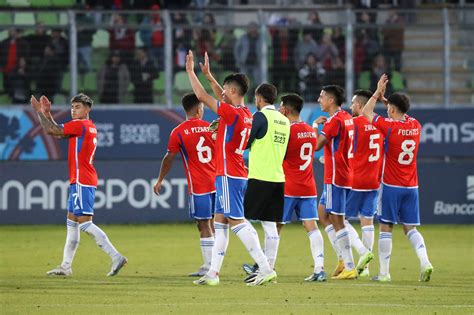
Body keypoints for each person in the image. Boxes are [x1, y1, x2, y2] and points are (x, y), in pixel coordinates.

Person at [186, 51, 276, 286]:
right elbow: (220, 95)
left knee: (237, 221)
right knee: (220, 223)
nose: (222, 93)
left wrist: (190, 72)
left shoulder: (231, 112)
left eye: (226, 90)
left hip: (228, 174)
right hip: (234, 172)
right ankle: (213, 273)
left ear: (233, 91)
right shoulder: (246, 112)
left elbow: (202, 96)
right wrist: (208, 74)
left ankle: (266, 267)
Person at [30, 93, 127, 277]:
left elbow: (51, 131)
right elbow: (58, 132)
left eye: (78, 107)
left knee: (84, 224)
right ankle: (66, 266)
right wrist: (48, 113)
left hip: (83, 179)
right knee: (72, 222)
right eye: (72, 107)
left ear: (87, 109)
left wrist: (39, 112)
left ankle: (116, 256)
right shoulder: (85, 126)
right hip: (80, 179)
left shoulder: (81, 125)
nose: (74, 110)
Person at [362, 74, 434, 282]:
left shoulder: (389, 127)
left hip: (391, 186)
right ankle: (425, 261)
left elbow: (367, 111)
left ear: (392, 110)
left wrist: (377, 93)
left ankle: (384, 273)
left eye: (388, 109)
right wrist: (389, 101)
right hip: (412, 187)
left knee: (386, 226)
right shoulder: (415, 125)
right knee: (410, 228)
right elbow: (399, 112)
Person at [153, 93, 215, 277]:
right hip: (218, 182)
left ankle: (209, 267)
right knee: (213, 223)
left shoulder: (178, 131)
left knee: (203, 225)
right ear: (199, 109)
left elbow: (169, 158)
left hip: (199, 186)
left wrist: (160, 179)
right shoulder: (211, 128)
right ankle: (213, 263)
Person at [241, 83, 290, 283]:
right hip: (278, 178)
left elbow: (246, 142)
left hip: (260, 177)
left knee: (238, 220)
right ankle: (268, 267)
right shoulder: (285, 121)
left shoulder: (260, 117)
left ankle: (263, 265)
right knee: (270, 226)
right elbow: (284, 151)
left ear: (259, 98)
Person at [312, 85, 360, 280]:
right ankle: (342, 259)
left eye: (322, 96)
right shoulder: (347, 118)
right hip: (343, 173)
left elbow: (316, 145)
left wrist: (315, 126)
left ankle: (349, 266)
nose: (318, 99)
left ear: (331, 100)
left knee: (338, 220)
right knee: (323, 212)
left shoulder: (333, 122)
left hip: (336, 176)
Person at [278, 93, 326, 282]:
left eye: (281, 107)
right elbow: (313, 148)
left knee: (276, 226)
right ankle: (320, 269)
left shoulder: (286, 131)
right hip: (308, 186)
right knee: (311, 227)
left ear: (286, 110)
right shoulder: (307, 128)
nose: (279, 109)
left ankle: (266, 266)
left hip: (289, 186)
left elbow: (279, 155)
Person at [346, 89, 384, 277]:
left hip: (356, 178)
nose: (351, 106)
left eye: (353, 103)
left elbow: (346, 149)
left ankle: (363, 252)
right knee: (367, 221)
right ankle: (365, 268)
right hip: (374, 179)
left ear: (360, 105)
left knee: (338, 219)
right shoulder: (380, 123)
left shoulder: (353, 123)